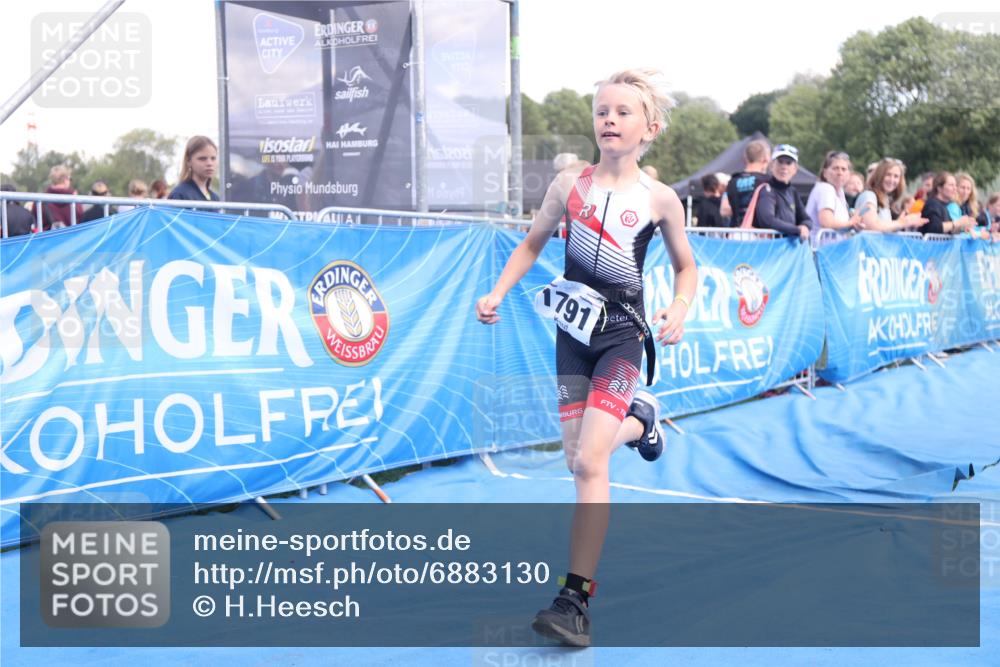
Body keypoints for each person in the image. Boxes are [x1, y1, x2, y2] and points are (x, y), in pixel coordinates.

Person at [475, 68, 697, 647]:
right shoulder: (568, 187)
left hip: (623, 339)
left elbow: (685, 267)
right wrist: (497, 293)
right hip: (574, 338)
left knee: (590, 462)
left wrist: (679, 305)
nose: (609, 120)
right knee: (575, 458)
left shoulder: (659, 199)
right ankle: (641, 421)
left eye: (623, 112)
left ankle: (574, 598)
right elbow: (531, 244)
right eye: (602, 110)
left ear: (649, 128)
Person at [753, 144, 811, 241]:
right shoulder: (767, 189)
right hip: (769, 249)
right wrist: (796, 230)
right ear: (772, 165)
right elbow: (767, 220)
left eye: (788, 163)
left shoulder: (792, 191)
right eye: (780, 162)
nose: (784, 167)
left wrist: (804, 226)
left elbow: (807, 219)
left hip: (787, 250)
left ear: (795, 169)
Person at [855, 159, 926, 232]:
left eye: (896, 176)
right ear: (879, 175)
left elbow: (884, 229)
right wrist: (902, 222)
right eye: (888, 174)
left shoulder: (885, 199)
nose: (892, 180)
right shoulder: (869, 196)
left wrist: (905, 223)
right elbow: (872, 226)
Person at [805, 151, 862, 232]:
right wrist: (851, 222)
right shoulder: (826, 189)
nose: (840, 173)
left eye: (844, 169)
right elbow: (826, 222)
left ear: (849, 174)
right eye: (835, 168)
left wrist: (853, 224)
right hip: (822, 244)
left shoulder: (839, 191)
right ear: (824, 173)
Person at [724, 139, 770, 227]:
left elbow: (724, 209)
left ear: (745, 158)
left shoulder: (733, 181)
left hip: (736, 233)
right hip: (761, 234)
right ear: (765, 159)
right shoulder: (767, 181)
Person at [169, 136, 220, 201]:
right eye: (202, 158)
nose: (209, 163)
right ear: (188, 161)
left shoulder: (215, 197)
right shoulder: (179, 195)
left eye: (213, 158)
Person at [42, 164, 84, 230]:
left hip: (49, 238)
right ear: (66, 179)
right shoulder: (75, 200)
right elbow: (81, 218)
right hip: (72, 238)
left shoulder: (40, 201)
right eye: (70, 179)